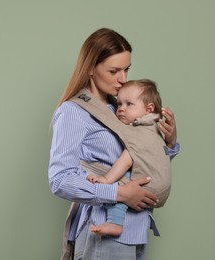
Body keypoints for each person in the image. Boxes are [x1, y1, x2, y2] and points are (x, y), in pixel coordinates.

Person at [49, 28, 180, 260]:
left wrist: (169, 143)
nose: (123, 79)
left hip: (136, 228)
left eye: (126, 69)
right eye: (114, 70)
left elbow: (139, 164)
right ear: (90, 67)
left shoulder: (122, 109)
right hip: (103, 230)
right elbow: (60, 180)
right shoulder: (74, 112)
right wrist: (118, 194)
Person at [86, 79, 168, 237]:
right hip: (159, 184)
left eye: (129, 104)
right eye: (120, 104)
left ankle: (114, 223)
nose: (121, 109)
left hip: (150, 186)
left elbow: (126, 160)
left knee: (121, 184)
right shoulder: (154, 127)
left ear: (148, 109)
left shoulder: (140, 132)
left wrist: (107, 179)